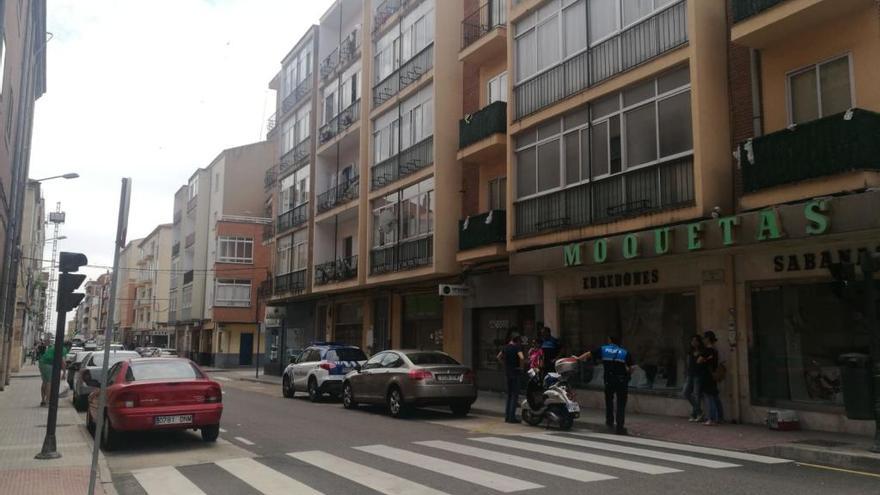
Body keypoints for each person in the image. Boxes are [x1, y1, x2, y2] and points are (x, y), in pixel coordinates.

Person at [575, 336, 633, 435]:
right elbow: (631, 368)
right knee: (621, 403)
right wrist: (627, 373)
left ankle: (609, 422)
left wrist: (577, 359)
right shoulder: (624, 352)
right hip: (621, 381)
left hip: (609, 380)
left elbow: (589, 354)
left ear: (610, 340)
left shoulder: (604, 349)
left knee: (609, 401)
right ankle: (619, 426)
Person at [497, 332, 525, 423]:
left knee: (509, 395)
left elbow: (498, 357)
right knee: (514, 395)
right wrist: (521, 367)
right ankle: (512, 417)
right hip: (515, 373)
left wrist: (505, 364)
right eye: (520, 340)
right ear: (517, 340)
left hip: (508, 372)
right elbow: (522, 357)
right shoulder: (517, 347)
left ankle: (507, 416)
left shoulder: (505, 347)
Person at [683, 335, 707, 422]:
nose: (693, 342)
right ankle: (699, 412)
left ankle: (695, 414)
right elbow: (688, 363)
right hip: (690, 374)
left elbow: (702, 363)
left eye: (695, 340)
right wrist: (686, 372)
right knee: (686, 392)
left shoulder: (703, 351)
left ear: (699, 342)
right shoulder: (690, 351)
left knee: (697, 394)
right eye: (692, 340)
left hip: (698, 375)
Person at [701, 331, 723, 425]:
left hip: (707, 375)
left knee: (709, 397)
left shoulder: (707, 350)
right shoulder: (715, 350)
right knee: (715, 396)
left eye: (704, 338)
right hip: (713, 375)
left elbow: (699, 360)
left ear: (708, 339)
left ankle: (712, 418)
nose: (703, 340)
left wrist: (704, 359)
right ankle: (720, 417)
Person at [38, 340, 68, 407]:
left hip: (41, 363)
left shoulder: (54, 347)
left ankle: (43, 401)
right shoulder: (63, 349)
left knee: (45, 382)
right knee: (49, 383)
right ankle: (48, 401)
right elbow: (63, 362)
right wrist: (64, 373)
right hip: (48, 364)